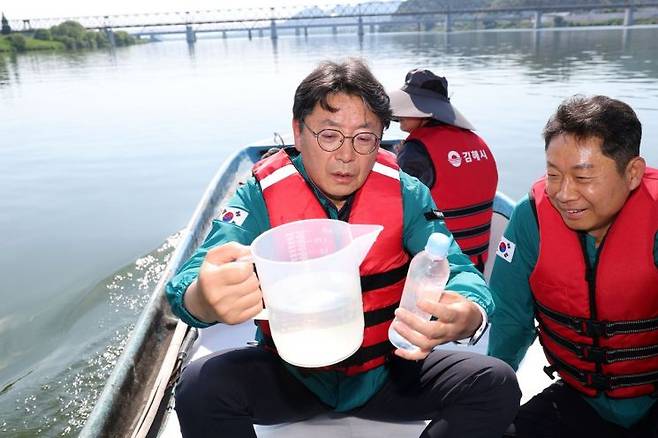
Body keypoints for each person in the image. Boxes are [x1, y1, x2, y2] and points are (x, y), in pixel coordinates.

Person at [165, 58, 520, 438]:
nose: (347, 155)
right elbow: (189, 279)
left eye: (364, 138)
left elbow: (461, 270)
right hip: (291, 375)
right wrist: (202, 296)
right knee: (199, 385)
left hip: (387, 371)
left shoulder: (408, 193)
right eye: (329, 135)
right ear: (299, 132)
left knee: (495, 383)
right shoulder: (259, 196)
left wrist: (465, 313)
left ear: (381, 138)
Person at [487, 95, 658, 437]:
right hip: (579, 399)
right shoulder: (530, 218)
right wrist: (492, 400)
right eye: (553, 174)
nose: (563, 194)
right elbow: (510, 319)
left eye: (582, 177)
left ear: (633, 173)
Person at [388, 69, 498, 273]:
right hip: (478, 258)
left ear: (425, 112)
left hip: (438, 264)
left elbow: (396, 207)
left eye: (407, 105)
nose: (400, 113)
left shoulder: (415, 151)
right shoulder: (478, 142)